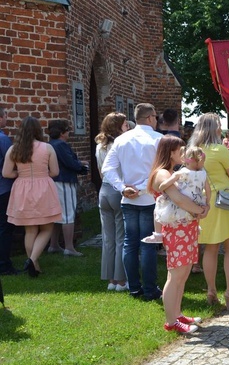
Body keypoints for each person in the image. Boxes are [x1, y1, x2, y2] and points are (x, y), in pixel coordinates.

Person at [148, 136, 209, 334]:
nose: (184, 154)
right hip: (177, 229)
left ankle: (177, 314)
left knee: (182, 275)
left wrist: (201, 208)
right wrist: (200, 210)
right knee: (175, 276)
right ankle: (171, 321)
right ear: (170, 152)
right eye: (180, 150)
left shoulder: (172, 172)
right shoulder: (162, 174)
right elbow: (179, 199)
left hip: (185, 227)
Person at [101, 103, 163, 300]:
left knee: (130, 243)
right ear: (150, 117)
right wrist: (140, 187)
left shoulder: (122, 139)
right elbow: (162, 169)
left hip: (129, 198)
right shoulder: (157, 139)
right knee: (146, 244)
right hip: (148, 198)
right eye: (155, 117)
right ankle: (150, 288)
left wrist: (123, 187)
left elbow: (107, 169)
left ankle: (135, 287)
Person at [189, 113, 229, 309]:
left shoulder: (192, 152)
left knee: (211, 248)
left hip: (204, 203)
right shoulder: (219, 149)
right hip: (225, 202)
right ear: (215, 129)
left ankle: (211, 290)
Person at [2, 116, 62, 277]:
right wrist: (41, 174)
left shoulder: (14, 149)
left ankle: (34, 265)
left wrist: (21, 173)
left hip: (22, 188)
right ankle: (32, 261)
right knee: (47, 227)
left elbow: (6, 173)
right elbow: (55, 172)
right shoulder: (47, 148)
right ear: (38, 130)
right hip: (43, 187)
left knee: (30, 230)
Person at [143, 146, 210, 244]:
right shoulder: (203, 174)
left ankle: (158, 234)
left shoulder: (180, 173)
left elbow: (165, 184)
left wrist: (162, 188)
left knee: (159, 203)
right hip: (197, 201)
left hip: (183, 204)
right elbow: (208, 191)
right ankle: (196, 228)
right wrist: (207, 202)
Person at [95, 112, 129, 291]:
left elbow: (101, 172)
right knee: (120, 236)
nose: (127, 128)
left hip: (104, 190)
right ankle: (121, 280)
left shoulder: (99, 145)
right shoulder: (119, 144)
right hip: (117, 190)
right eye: (124, 125)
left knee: (108, 237)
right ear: (118, 126)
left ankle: (110, 280)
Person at [47, 120, 88, 256]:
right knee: (68, 214)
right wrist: (82, 167)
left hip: (54, 181)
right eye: (67, 130)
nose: (69, 133)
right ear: (62, 132)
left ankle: (54, 245)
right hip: (64, 181)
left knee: (57, 215)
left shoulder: (50, 144)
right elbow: (69, 162)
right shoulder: (61, 145)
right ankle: (69, 247)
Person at [0, 106, 20, 276]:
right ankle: (4, 265)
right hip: (3, 189)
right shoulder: (3, 139)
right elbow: (10, 165)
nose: (6, 118)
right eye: (5, 115)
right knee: (4, 229)